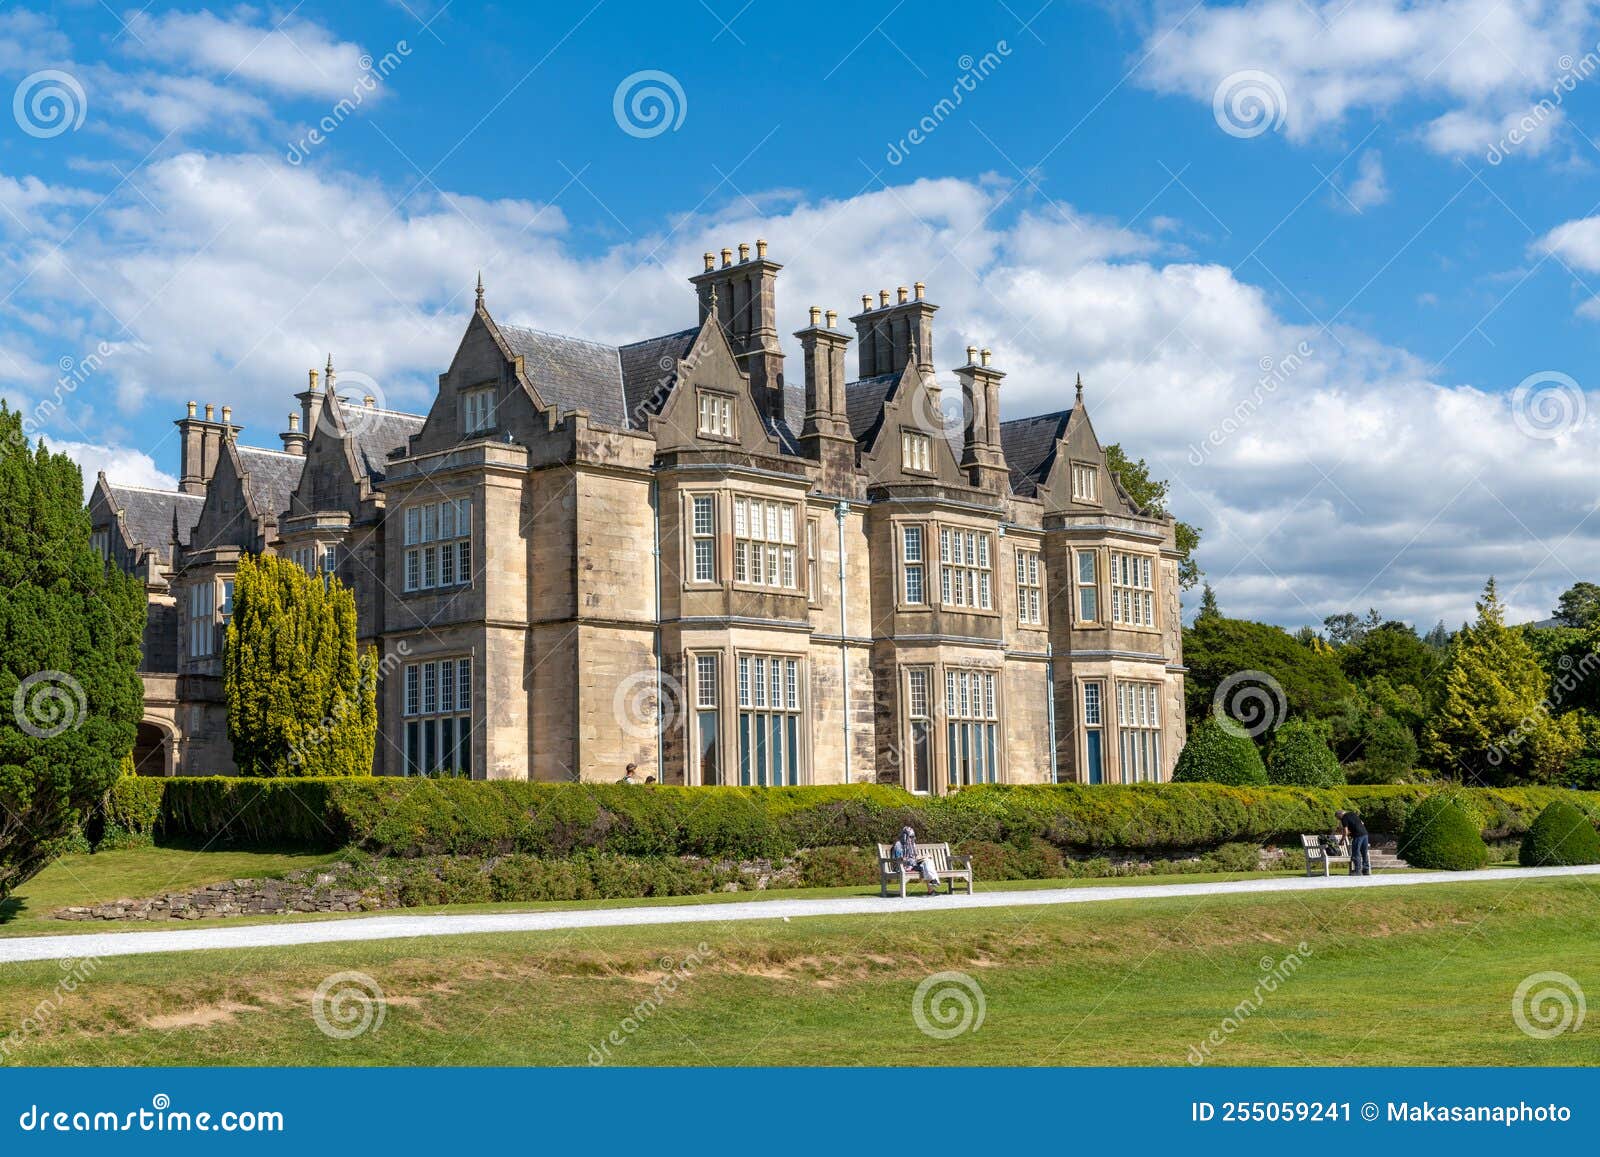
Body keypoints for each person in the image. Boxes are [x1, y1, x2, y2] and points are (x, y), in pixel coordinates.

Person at [890, 825, 942, 895]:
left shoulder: (912, 844)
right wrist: (912, 860)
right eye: (911, 836)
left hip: (912, 865)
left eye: (913, 836)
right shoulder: (898, 844)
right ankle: (932, 886)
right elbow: (898, 859)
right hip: (901, 866)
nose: (912, 838)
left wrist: (924, 856)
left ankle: (933, 883)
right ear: (905, 835)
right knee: (926, 866)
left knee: (927, 861)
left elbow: (915, 856)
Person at [1336, 809, 1370, 876]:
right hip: (1365, 833)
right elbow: (1362, 823)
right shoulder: (1353, 814)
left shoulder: (1344, 818)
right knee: (1364, 853)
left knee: (1355, 853)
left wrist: (1342, 840)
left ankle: (1357, 871)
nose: (1338, 819)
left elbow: (1345, 831)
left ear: (1340, 814)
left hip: (1358, 836)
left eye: (1337, 817)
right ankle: (1366, 870)